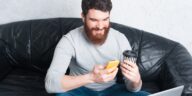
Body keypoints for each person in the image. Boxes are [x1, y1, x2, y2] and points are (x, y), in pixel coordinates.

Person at [45, 0, 150, 96]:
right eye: (94, 20)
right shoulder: (69, 40)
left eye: (105, 19)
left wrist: (136, 80)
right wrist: (91, 77)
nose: (100, 26)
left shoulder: (120, 39)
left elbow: (132, 89)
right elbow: (50, 84)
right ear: (83, 17)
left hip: (112, 90)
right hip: (79, 90)